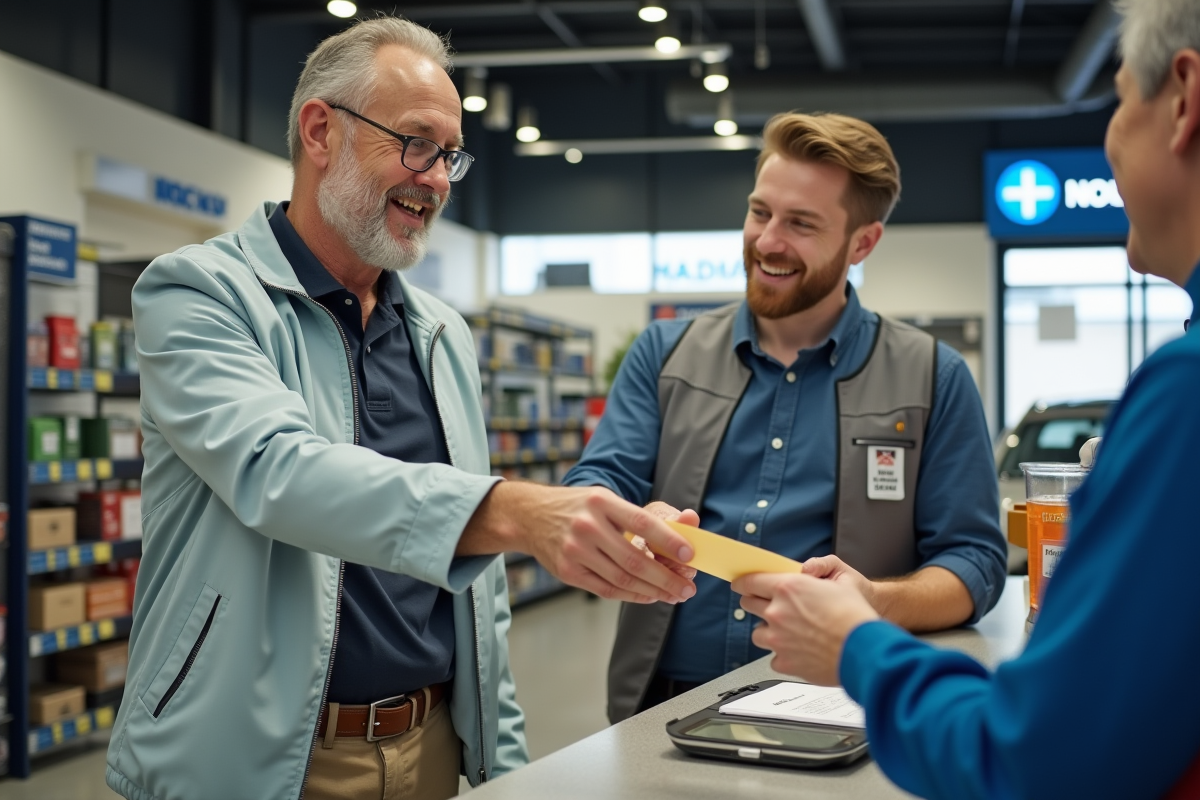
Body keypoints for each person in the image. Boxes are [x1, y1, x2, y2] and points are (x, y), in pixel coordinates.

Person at [105, 17, 697, 800]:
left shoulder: (440, 333)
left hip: (432, 751)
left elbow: (478, 605)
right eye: (416, 143)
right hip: (265, 763)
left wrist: (499, 760)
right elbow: (278, 472)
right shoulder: (200, 293)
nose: (438, 179)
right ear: (321, 132)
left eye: (450, 154)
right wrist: (520, 512)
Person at [732, 2, 1200, 798]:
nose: (1111, 139)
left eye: (1121, 100)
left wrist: (859, 640)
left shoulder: (1181, 392)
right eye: (761, 213)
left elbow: (1038, 759)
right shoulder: (667, 356)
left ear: (1183, 102)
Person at [563, 111, 1008, 722]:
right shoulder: (665, 354)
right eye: (759, 211)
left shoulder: (934, 376)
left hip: (841, 707)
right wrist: (636, 521)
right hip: (663, 705)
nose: (768, 240)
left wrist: (873, 601)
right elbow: (593, 486)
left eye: (801, 223)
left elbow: (975, 563)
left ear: (863, 243)